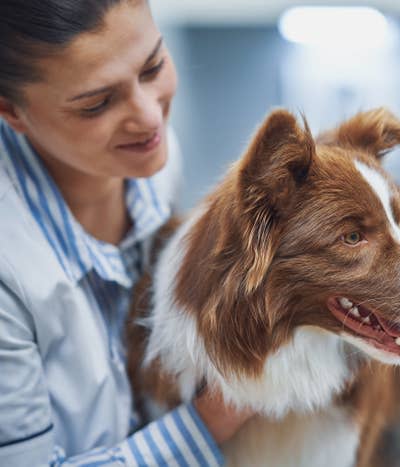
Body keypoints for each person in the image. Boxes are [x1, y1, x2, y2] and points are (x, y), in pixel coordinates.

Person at [0, 1, 252, 465]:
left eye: (153, 66)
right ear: (11, 111)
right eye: (97, 103)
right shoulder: (9, 270)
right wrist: (213, 418)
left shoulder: (155, 160)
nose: (149, 117)